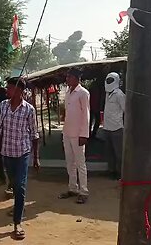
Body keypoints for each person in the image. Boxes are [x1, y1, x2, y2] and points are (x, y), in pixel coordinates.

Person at [0, 77, 39, 240]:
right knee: (13, 184)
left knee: (20, 187)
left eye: (10, 88)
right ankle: (18, 204)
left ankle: (17, 223)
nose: (7, 91)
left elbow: (34, 134)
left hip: (23, 153)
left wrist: (36, 157)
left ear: (19, 91)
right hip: (7, 153)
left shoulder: (29, 110)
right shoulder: (4, 106)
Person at [58, 68, 90, 204]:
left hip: (78, 134)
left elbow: (86, 115)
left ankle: (84, 191)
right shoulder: (68, 92)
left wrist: (84, 134)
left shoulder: (83, 93)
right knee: (69, 162)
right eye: (67, 77)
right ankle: (73, 188)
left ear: (77, 78)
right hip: (67, 132)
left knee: (80, 163)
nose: (67, 79)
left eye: (70, 77)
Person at [103, 72, 126, 180]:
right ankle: (111, 171)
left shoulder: (119, 94)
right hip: (107, 127)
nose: (108, 82)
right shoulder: (107, 93)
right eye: (108, 80)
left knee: (119, 153)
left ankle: (120, 173)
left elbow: (126, 109)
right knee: (109, 152)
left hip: (117, 128)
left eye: (110, 80)